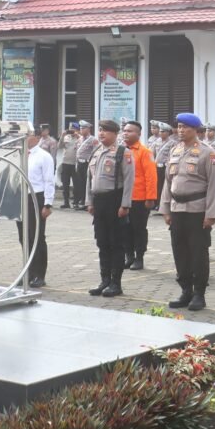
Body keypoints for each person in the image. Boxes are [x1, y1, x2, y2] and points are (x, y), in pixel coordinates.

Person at [160, 113, 215, 311]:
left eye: (185, 127)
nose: (181, 130)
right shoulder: (175, 150)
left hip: (197, 210)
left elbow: (213, 186)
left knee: (198, 253)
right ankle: (185, 290)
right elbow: (168, 182)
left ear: (196, 130)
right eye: (178, 126)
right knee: (180, 252)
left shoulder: (207, 153)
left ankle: (199, 294)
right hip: (177, 209)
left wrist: (210, 214)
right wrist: (166, 208)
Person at [85, 120, 135, 297]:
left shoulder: (123, 152)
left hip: (115, 201)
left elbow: (129, 180)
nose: (101, 134)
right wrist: (89, 201)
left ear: (115, 134)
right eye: (100, 130)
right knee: (102, 242)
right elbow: (89, 179)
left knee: (116, 243)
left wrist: (125, 204)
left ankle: (116, 283)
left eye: (105, 131)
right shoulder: (96, 152)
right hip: (99, 202)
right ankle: (104, 280)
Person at [16, 128, 56, 288]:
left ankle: (39, 274)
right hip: (20, 197)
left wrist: (48, 204)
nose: (25, 137)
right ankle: (28, 272)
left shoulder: (44, 156)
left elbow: (49, 181)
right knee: (23, 237)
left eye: (28, 135)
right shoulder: (19, 153)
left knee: (36, 237)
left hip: (36, 198)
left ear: (38, 137)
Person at [121, 120, 157, 271]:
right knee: (125, 229)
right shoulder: (120, 150)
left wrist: (150, 198)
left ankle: (139, 258)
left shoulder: (144, 152)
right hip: (124, 198)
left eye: (130, 131)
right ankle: (128, 256)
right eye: (125, 130)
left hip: (139, 198)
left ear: (139, 134)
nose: (126, 133)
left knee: (138, 229)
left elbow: (151, 176)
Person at [74, 121, 99, 210]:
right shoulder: (80, 139)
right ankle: (82, 201)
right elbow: (77, 150)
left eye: (83, 128)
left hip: (87, 163)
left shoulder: (93, 140)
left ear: (88, 129)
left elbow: (96, 152)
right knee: (80, 183)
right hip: (80, 163)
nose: (81, 130)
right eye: (80, 128)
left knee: (87, 183)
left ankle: (88, 202)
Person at [58, 122, 79, 208]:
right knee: (65, 184)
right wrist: (62, 136)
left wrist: (78, 136)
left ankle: (76, 202)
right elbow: (59, 146)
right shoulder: (66, 137)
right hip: (65, 163)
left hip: (75, 164)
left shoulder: (79, 138)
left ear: (77, 130)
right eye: (70, 129)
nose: (71, 131)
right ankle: (66, 202)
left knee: (76, 184)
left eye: (73, 129)